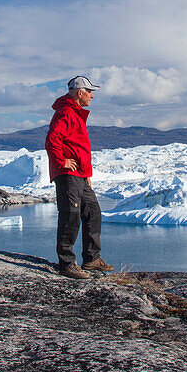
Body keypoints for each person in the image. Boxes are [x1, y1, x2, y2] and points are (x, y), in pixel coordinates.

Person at [45, 76, 114, 279]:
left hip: (81, 176)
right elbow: (52, 140)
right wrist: (61, 161)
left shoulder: (75, 114)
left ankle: (91, 259)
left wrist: (87, 175)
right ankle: (66, 263)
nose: (92, 96)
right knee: (70, 216)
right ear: (79, 92)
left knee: (93, 212)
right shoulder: (66, 112)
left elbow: (78, 147)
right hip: (68, 175)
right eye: (90, 92)